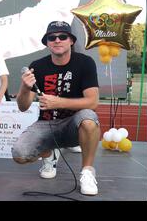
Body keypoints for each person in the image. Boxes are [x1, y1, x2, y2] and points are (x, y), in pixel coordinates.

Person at [11, 21, 100, 196]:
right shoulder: (37, 65)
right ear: (47, 43)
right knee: (19, 155)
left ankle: (88, 172)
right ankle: (49, 154)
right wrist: (24, 87)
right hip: (46, 124)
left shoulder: (85, 62)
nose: (57, 40)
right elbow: (23, 107)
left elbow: (93, 101)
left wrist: (58, 102)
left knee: (89, 118)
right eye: (52, 37)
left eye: (62, 36)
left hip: (74, 124)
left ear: (71, 41)